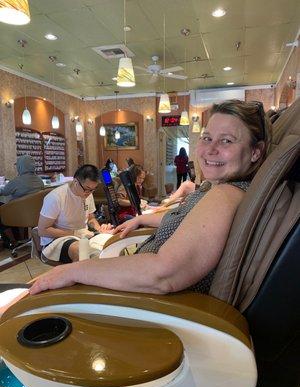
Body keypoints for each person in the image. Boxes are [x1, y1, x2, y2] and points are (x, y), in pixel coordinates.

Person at [30, 100, 271, 296]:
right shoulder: (215, 188)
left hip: (151, 299)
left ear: (255, 151)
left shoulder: (224, 195)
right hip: (142, 280)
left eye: (227, 140)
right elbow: (191, 221)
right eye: (207, 138)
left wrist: (74, 271)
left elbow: (162, 274)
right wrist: (141, 221)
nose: (210, 149)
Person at [38, 164, 113, 264]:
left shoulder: (87, 194)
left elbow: (91, 218)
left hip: (82, 236)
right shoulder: (56, 197)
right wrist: (74, 233)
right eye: (87, 189)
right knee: (82, 252)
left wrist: (99, 229)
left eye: (92, 190)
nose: (89, 193)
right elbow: (42, 230)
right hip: (57, 240)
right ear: (75, 182)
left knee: (111, 247)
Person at [0, 155, 44, 248]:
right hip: (36, 214)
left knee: (1, 210)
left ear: (21, 166)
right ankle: (23, 238)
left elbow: (3, 192)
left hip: (19, 215)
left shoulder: (16, 181)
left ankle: (12, 241)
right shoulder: (39, 180)